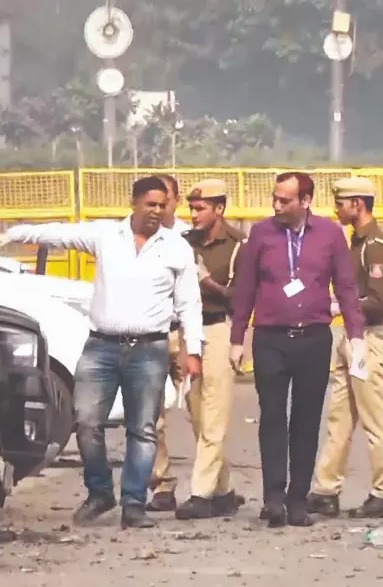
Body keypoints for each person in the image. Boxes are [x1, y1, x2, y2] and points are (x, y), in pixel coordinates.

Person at [0, 176, 204, 529]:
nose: (157, 211)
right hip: (101, 347)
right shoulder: (106, 237)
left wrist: (195, 349)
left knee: (143, 429)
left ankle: (134, 503)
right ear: (134, 203)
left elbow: (190, 303)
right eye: (150, 204)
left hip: (149, 349)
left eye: (163, 205)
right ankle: (100, 491)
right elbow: (60, 234)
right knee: (85, 422)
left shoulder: (176, 247)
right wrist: (16, 233)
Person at [228, 171, 365, 528]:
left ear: (305, 201)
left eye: (284, 200)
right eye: (275, 198)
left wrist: (356, 334)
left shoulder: (330, 234)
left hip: (314, 338)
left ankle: (297, 500)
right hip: (270, 337)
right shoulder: (261, 233)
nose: (276, 205)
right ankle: (273, 498)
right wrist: (236, 338)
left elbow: (346, 286)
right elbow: (245, 288)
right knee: (272, 417)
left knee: (306, 420)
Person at [154, 178, 249, 520]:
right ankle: (223, 490)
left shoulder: (238, 245)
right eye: (191, 207)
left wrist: (205, 280)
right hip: (187, 332)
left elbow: (241, 297)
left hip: (219, 328)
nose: (193, 214)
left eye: (200, 208)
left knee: (215, 416)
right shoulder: (183, 243)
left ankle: (201, 493)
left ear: (219, 208)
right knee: (196, 415)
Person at [307, 177, 383, 519]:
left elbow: (380, 301)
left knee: (375, 421)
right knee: (339, 418)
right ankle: (325, 489)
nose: (337, 208)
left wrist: (339, 306)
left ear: (358, 204)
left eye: (341, 202)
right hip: (353, 336)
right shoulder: (356, 242)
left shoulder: (374, 245)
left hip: (369, 338)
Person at [147, 173, 191, 512]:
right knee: (151, 414)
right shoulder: (136, 239)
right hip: (152, 334)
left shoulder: (189, 237)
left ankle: (215, 485)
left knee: (204, 412)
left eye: (166, 200)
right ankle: (161, 483)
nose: (160, 207)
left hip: (185, 333)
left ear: (176, 201)